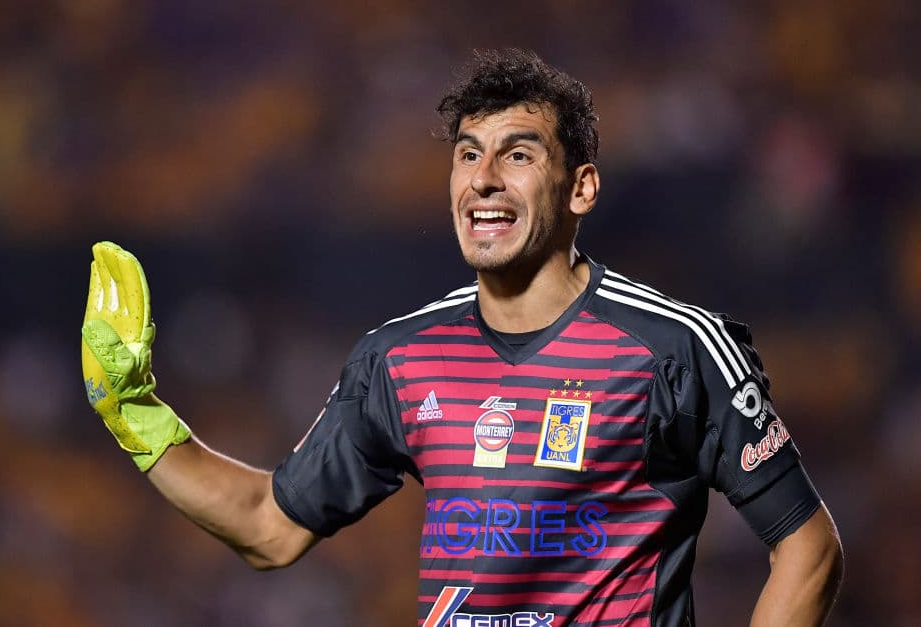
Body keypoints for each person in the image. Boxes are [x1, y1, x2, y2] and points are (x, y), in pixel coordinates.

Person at [81, 49, 843, 626]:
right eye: (468, 154)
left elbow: (807, 548)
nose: (483, 179)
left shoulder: (673, 347)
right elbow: (268, 526)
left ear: (581, 187)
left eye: (517, 154)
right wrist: (133, 413)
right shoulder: (399, 358)